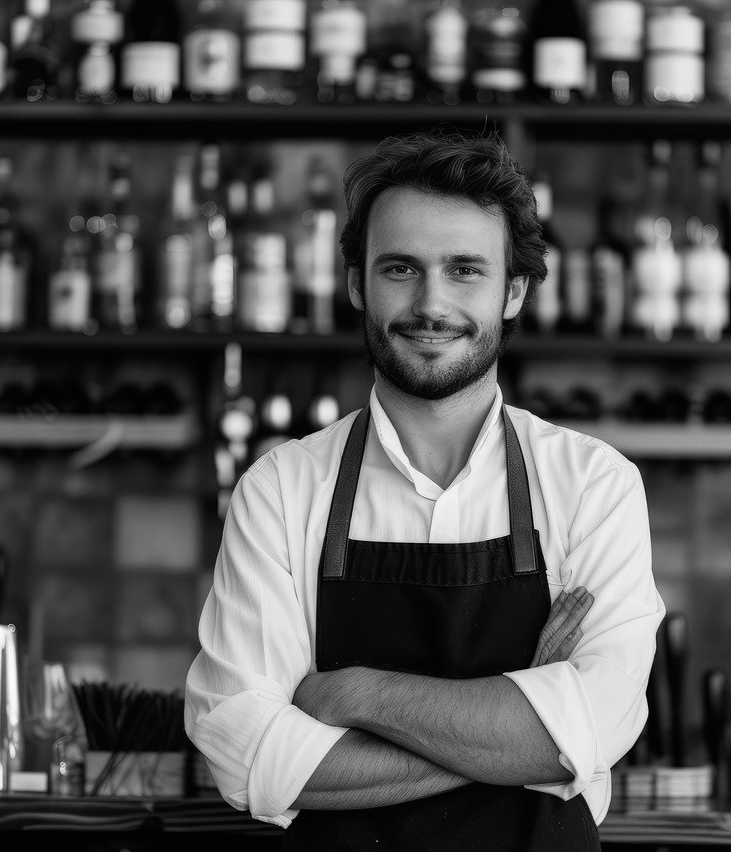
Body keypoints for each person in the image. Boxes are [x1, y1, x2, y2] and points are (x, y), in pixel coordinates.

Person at [184, 128, 665, 851]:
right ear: (356, 285)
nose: (430, 304)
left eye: (465, 270)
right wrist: (514, 729)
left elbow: (593, 727)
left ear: (514, 290)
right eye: (400, 269)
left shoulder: (592, 486)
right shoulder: (281, 489)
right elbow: (245, 751)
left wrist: (353, 695)